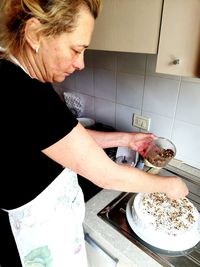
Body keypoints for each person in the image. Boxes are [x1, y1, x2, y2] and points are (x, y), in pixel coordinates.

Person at [0, 0, 189, 266]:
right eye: (76, 50)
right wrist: (171, 185)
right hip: (33, 239)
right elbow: (106, 174)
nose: (81, 64)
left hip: (50, 227)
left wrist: (127, 139)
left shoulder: (23, 80)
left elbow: (66, 138)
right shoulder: (21, 93)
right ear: (35, 34)